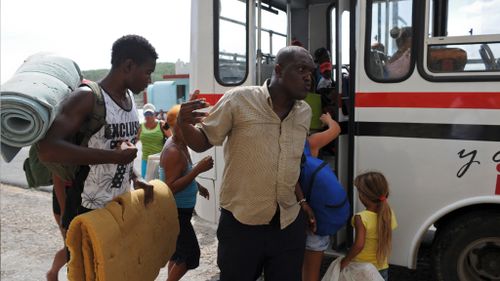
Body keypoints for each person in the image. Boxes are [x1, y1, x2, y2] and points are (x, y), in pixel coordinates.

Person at [177, 45, 316, 281]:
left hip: (288, 224)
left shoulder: (304, 112)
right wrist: (183, 123)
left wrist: (302, 200)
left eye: (311, 72)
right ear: (279, 70)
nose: (308, 77)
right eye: (301, 69)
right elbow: (202, 142)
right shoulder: (239, 100)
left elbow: (290, 163)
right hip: (242, 225)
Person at [37, 34, 157, 232]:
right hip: (86, 209)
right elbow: (47, 149)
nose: (150, 80)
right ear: (128, 66)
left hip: (118, 207)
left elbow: (117, 147)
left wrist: (135, 178)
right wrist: (113, 157)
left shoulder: (129, 98)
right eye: (147, 72)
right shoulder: (87, 97)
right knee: (86, 264)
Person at [158, 104, 213, 281]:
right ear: (178, 126)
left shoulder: (181, 144)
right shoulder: (173, 151)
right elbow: (171, 187)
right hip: (176, 212)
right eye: (189, 126)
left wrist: (197, 186)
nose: (193, 131)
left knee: (178, 254)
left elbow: (182, 173)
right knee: (189, 256)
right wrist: (198, 170)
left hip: (182, 212)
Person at [300, 112, 341, 281]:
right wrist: (328, 120)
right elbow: (336, 129)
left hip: (292, 213)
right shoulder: (311, 142)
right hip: (314, 214)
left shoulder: (283, 143)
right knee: (311, 272)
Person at [340, 171, 398, 281]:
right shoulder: (388, 213)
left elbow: (359, 245)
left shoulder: (361, 218)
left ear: (363, 195)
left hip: (362, 268)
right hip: (382, 268)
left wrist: (346, 260)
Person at [138, 103, 171, 178]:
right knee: (145, 182)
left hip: (160, 159)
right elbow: (135, 140)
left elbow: (171, 138)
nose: (148, 116)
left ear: (154, 114)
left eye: (150, 113)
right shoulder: (140, 126)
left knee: (160, 182)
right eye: (146, 114)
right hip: (145, 159)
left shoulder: (162, 124)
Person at [46, 175, 68, 281]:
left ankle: (52, 274)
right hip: (65, 198)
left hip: (83, 196)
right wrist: (64, 210)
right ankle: (52, 274)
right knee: (70, 249)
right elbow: (57, 177)